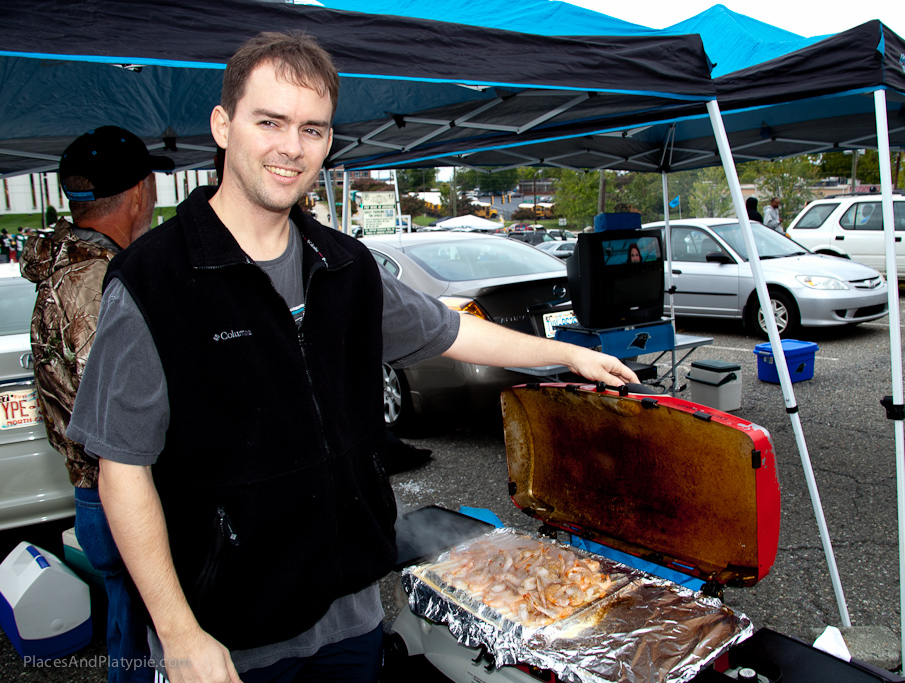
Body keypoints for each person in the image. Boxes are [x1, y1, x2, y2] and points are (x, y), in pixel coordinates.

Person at [66, 31, 637, 683]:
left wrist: (562, 353)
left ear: (329, 142)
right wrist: (177, 630)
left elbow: (451, 331)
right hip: (231, 639)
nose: (291, 147)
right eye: (270, 122)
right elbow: (122, 467)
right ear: (224, 126)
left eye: (312, 129)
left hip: (353, 619)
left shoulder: (345, 266)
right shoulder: (151, 282)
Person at [21, 125, 171, 683]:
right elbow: (117, 405)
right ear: (139, 192)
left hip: (95, 497)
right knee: (149, 645)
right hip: (121, 497)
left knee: (129, 630)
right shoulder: (95, 277)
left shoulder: (70, 264)